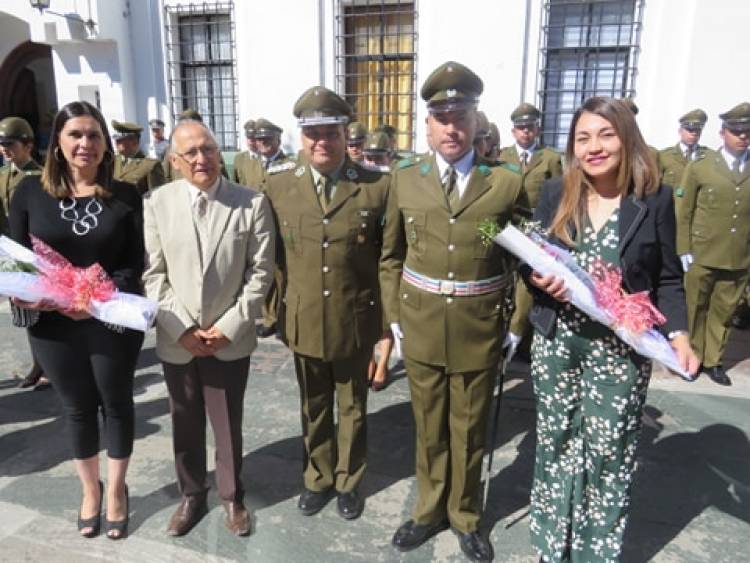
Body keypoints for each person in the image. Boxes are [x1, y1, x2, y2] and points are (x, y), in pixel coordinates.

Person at [522, 96, 699, 562]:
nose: (594, 146)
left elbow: (666, 277)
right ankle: (550, 549)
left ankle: (595, 553)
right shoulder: (556, 192)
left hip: (619, 350)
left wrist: (679, 335)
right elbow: (533, 261)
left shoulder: (652, 199)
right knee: (556, 443)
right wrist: (538, 280)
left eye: (605, 134)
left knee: (609, 452)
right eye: (583, 137)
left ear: (625, 137)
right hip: (558, 342)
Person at [380, 61, 528, 562]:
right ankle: (427, 510)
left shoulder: (504, 184)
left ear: (475, 121)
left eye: (460, 115)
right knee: (428, 425)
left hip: (479, 328)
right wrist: (394, 320)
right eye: (441, 117)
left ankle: (465, 515)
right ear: (427, 124)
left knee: (469, 429)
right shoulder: (404, 179)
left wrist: (514, 325)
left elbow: (527, 261)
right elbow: (390, 256)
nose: (451, 126)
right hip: (420, 324)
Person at [9, 101, 146, 540]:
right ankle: (91, 490)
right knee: (77, 409)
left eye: (93, 135)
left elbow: (132, 264)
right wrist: (35, 297)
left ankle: (118, 491)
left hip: (109, 319)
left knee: (117, 404)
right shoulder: (29, 192)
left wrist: (92, 296)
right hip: (53, 325)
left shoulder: (125, 195)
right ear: (58, 143)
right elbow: (16, 262)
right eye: (75, 135)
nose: (84, 144)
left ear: (105, 144)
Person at [264, 86, 389, 521]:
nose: (322, 141)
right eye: (312, 133)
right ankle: (317, 478)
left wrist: (386, 329)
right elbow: (271, 256)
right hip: (303, 316)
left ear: (344, 133)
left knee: (352, 405)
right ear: (301, 137)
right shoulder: (279, 185)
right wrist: (273, 311)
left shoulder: (375, 187)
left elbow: (386, 260)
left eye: (330, 132)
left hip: (354, 318)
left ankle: (349, 480)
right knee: (313, 404)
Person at [143, 118, 273, 537]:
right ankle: (191, 495)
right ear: (176, 160)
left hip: (228, 339)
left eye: (209, 149)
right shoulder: (157, 203)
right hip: (177, 337)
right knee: (184, 418)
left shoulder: (250, 203)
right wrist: (180, 327)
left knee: (226, 421)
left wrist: (229, 325)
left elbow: (261, 273)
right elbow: (153, 273)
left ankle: (232, 495)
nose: (203, 158)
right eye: (192, 153)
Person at [676, 102, 750, 386]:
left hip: (738, 255)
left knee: (724, 310)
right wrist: (683, 247)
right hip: (702, 252)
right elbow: (684, 211)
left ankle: (714, 361)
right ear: (723, 133)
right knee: (695, 308)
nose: (742, 136)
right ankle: (692, 358)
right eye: (736, 131)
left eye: (747, 131)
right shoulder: (701, 166)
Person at [500, 103, 563, 363]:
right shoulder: (502, 157)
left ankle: (520, 335)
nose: (526, 132)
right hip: (507, 228)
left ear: (537, 129)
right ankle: (504, 332)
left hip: (535, 228)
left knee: (529, 282)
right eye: (521, 128)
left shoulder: (549, 158)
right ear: (513, 131)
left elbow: (559, 195)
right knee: (506, 280)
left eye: (531, 127)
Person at [0, 116, 51, 391]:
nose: (4, 148)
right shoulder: (3, 175)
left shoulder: (41, 176)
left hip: (35, 253)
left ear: (28, 145)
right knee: (23, 311)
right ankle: (37, 363)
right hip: (12, 253)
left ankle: (49, 367)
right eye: (0, 144)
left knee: (42, 311)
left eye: (9, 143)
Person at [251, 118, 296, 339]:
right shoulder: (247, 162)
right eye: (260, 139)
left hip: (281, 230)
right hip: (256, 230)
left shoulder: (291, 165)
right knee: (264, 273)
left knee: (283, 276)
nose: (264, 143)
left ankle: (285, 317)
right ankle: (269, 317)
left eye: (268, 139)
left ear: (278, 140)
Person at [361, 130, 396, 391]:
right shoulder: (361, 182)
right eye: (369, 157)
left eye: (379, 157)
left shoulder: (397, 181)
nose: (373, 162)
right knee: (365, 315)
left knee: (386, 315)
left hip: (390, 257)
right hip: (365, 258)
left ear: (389, 156)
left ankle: (383, 363)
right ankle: (369, 358)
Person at [658, 109, 710, 195]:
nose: (694, 134)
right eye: (690, 130)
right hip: (671, 205)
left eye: (697, 130)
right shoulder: (664, 156)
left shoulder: (707, 156)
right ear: (680, 131)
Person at [111, 120, 166, 194]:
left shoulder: (151, 166)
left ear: (134, 141)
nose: (117, 142)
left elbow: (157, 199)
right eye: (116, 139)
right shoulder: (111, 161)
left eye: (121, 139)